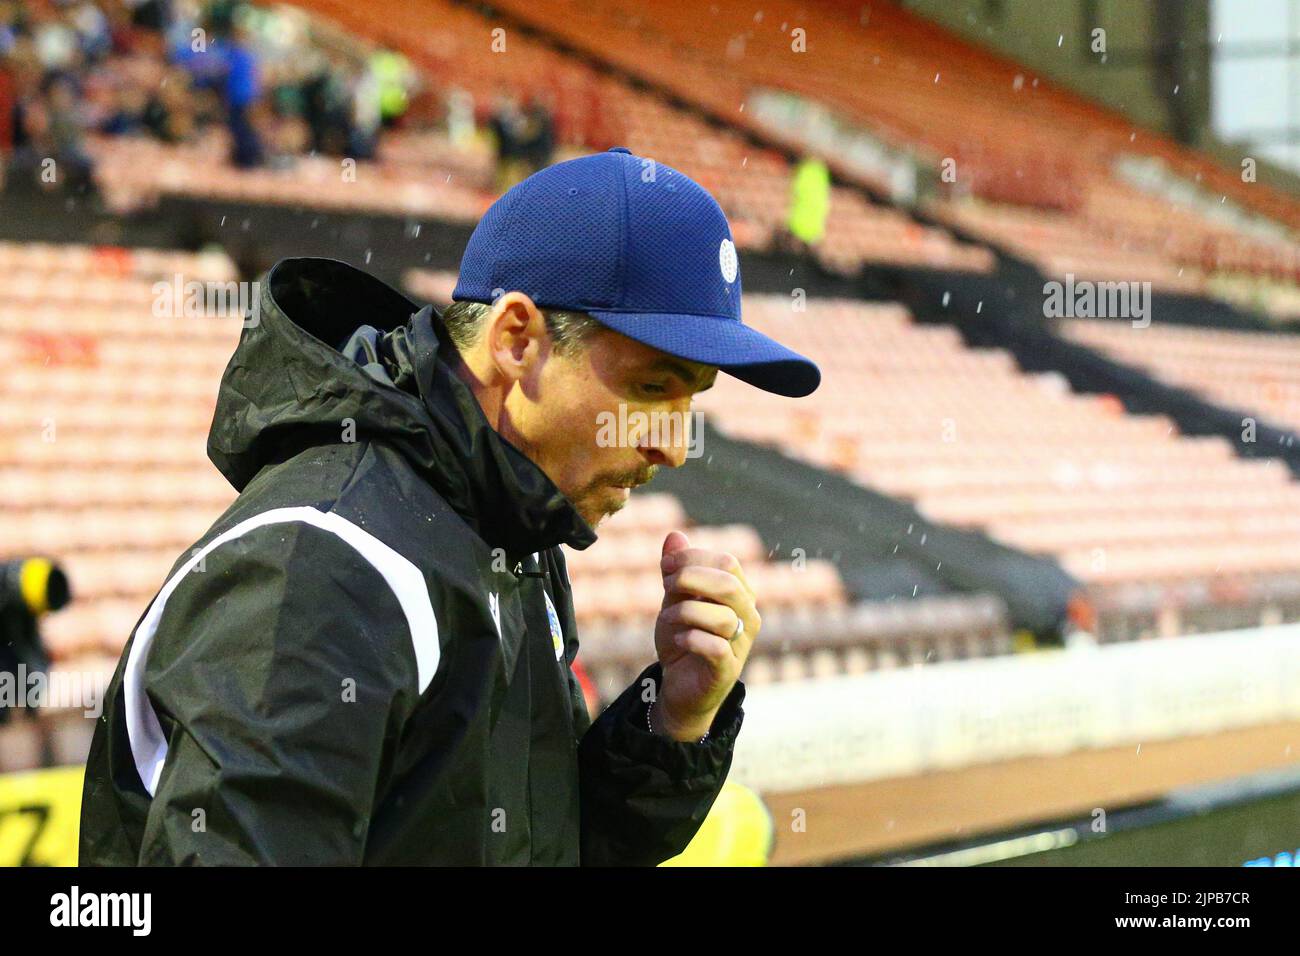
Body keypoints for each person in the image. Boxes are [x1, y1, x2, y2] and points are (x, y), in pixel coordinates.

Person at [79, 147, 820, 866]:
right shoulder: (326, 566)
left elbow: (535, 844)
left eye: (694, 402)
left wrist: (671, 725)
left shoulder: (509, 532)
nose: (672, 446)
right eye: (655, 388)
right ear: (517, 341)